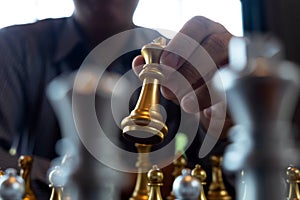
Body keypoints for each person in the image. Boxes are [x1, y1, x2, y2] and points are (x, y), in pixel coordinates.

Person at [0, 0, 235, 199]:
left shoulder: (180, 63)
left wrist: (229, 126)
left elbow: (205, 175)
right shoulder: (14, 48)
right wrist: (117, 178)